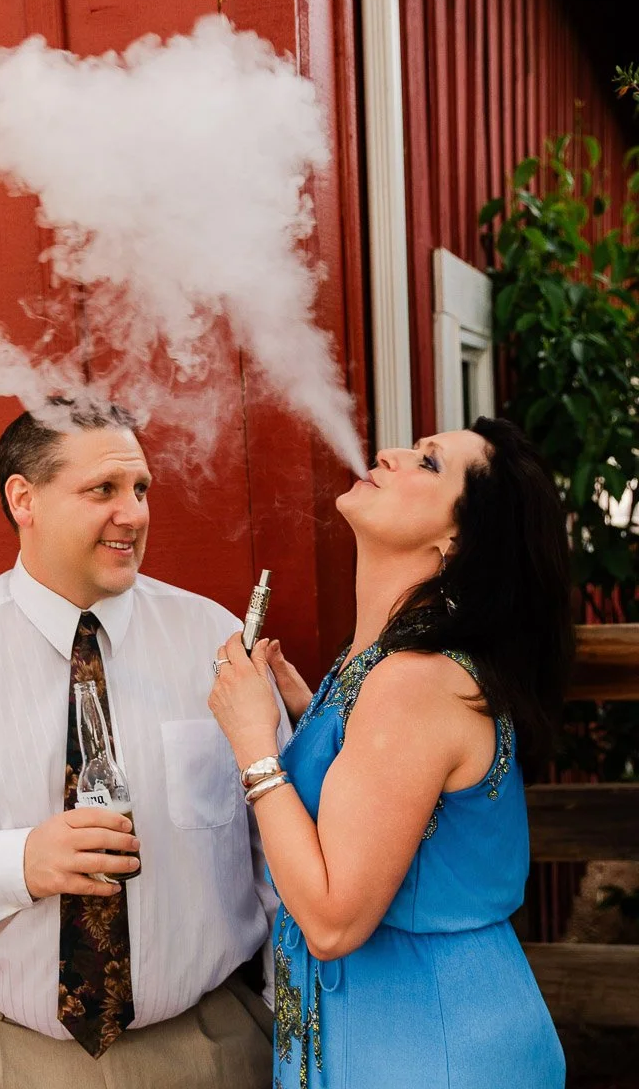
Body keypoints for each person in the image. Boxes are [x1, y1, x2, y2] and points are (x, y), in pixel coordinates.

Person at [0, 402, 288, 1089]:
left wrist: (284, 1017)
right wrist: (16, 862)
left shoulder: (214, 640)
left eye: (140, 489)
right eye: (103, 489)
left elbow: (276, 851)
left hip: (206, 1051)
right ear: (24, 499)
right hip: (0, 1061)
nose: (133, 514)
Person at [209, 417, 573, 1089]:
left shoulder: (414, 681)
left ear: (456, 541)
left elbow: (332, 922)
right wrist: (310, 719)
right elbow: (378, 789)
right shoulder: (378, 662)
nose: (389, 454)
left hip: (430, 1052)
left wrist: (254, 744)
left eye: (429, 463)